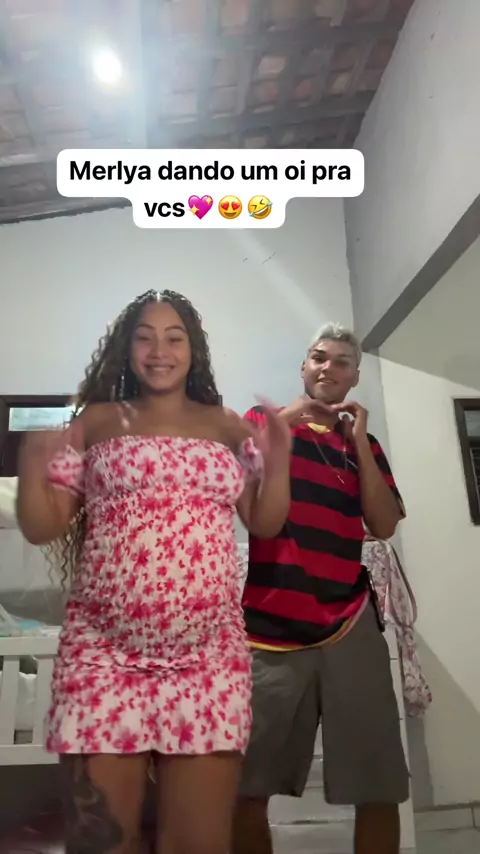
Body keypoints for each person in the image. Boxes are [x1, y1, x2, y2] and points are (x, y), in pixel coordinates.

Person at [16, 289, 291, 854]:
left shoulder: (227, 426)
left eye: (173, 337)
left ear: (193, 350)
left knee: (198, 844)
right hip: (103, 659)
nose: (159, 351)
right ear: (127, 348)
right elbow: (44, 526)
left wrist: (280, 459)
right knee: (101, 842)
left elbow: (265, 522)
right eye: (144, 337)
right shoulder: (96, 422)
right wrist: (30, 465)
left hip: (207, 662)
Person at [232, 323, 409, 854]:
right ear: (304, 367)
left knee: (378, 785)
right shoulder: (262, 421)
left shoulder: (364, 444)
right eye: (318, 357)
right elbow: (247, 495)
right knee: (244, 787)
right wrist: (288, 420)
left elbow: (383, 524)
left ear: (354, 378)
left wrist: (359, 443)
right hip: (270, 627)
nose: (328, 367)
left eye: (341, 362)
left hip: (351, 621)